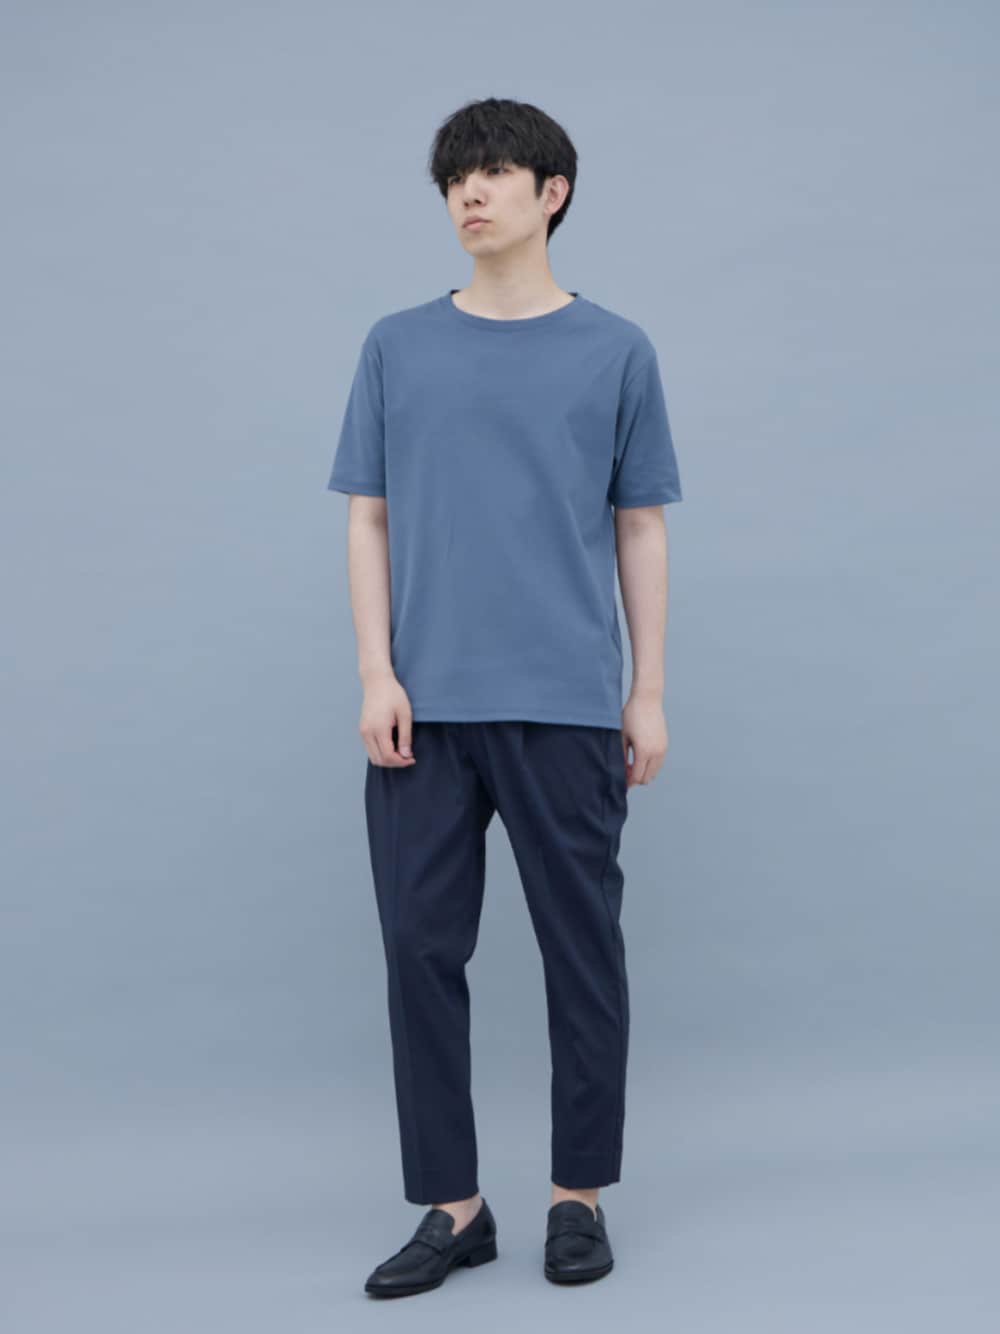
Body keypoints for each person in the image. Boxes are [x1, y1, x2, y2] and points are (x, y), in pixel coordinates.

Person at [326, 96, 683, 1297]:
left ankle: (577, 1195)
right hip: (422, 708)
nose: (468, 194)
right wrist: (376, 670)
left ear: (551, 192)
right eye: (453, 179)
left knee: (581, 952)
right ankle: (454, 1205)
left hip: (567, 702)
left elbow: (640, 526)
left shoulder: (616, 350)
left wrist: (646, 691)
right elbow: (368, 518)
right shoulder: (396, 345)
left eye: (490, 173)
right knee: (417, 948)